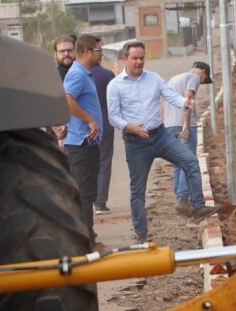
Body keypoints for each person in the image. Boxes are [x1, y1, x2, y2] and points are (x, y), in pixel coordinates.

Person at [107, 41, 221, 243]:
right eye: (135, 58)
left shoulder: (153, 79)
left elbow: (172, 97)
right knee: (137, 190)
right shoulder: (115, 86)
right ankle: (142, 233)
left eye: (142, 57)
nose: (139, 62)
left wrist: (186, 102)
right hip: (136, 142)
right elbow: (113, 117)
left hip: (160, 136)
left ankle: (197, 206)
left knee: (190, 161)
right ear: (125, 59)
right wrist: (131, 127)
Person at [63, 34, 103, 246]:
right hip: (81, 145)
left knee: (88, 193)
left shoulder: (84, 73)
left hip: (87, 143)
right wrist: (90, 120)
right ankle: (87, 241)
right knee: (84, 195)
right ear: (86, 51)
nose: (101, 53)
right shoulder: (77, 74)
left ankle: (88, 237)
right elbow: (67, 99)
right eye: (98, 50)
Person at [164, 61, 213, 217]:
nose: (202, 83)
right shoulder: (194, 77)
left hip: (170, 125)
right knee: (190, 163)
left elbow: (164, 101)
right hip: (183, 126)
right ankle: (187, 200)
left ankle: (180, 198)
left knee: (179, 163)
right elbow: (188, 98)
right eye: (205, 79)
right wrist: (186, 124)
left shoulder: (174, 79)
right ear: (203, 72)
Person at [91, 56, 116, 215]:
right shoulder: (108, 75)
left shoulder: (76, 73)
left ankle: (84, 201)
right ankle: (100, 203)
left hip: (82, 124)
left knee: (85, 163)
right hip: (104, 122)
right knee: (104, 161)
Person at [52, 35, 76, 144]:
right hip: (56, 138)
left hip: (82, 136)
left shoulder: (85, 75)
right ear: (55, 53)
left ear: (75, 52)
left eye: (69, 50)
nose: (66, 54)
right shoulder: (49, 77)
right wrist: (56, 130)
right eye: (62, 51)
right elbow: (44, 107)